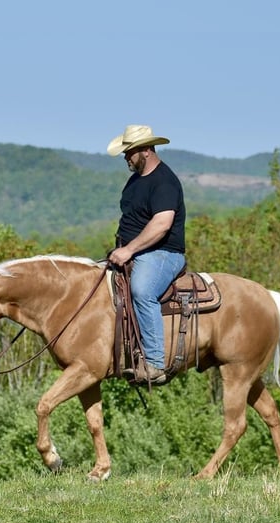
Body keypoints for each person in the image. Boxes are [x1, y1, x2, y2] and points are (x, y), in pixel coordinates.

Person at [106, 125, 186, 385]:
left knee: (142, 290)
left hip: (163, 253)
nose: (126, 157)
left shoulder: (165, 181)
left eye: (129, 152)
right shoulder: (135, 180)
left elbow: (162, 224)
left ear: (147, 151)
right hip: (134, 252)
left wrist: (128, 250)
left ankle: (154, 363)